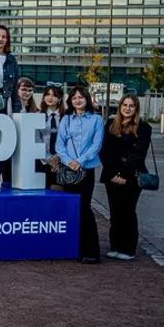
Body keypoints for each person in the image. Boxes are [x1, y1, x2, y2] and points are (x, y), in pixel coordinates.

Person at [100, 94, 151, 261]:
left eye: (131, 106)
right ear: (120, 106)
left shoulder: (144, 127)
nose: (127, 108)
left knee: (128, 212)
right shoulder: (110, 125)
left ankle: (128, 249)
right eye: (125, 105)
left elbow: (138, 155)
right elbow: (104, 152)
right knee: (115, 213)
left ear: (136, 108)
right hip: (111, 176)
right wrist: (113, 173)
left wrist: (122, 174)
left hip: (131, 177)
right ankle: (115, 246)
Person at [57, 85, 105, 264]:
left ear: (87, 99)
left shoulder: (96, 119)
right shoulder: (66, 119)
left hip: (86, 169)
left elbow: (97, 144)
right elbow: (59, 144)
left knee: (85, 209)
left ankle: (91, 251)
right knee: (71, 209)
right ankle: (73, 249)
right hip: (69, 170)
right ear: (70, 101)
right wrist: (69, 160)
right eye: (74, 97)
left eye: (81, 97)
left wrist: (81, 160)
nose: (78, 100)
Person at [39, 84, 64, 187]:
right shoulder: (38, 115)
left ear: (60, 98)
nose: (50, 98)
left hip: (61, 162)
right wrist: (49, 159)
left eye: (54, 95)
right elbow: (37, 139)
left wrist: (58, 158)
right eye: (47, 94)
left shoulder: (66, 117)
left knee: (59, 195)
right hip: (42, 161)